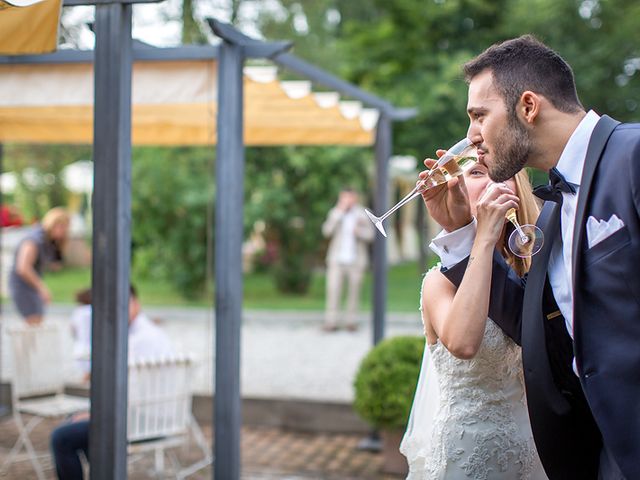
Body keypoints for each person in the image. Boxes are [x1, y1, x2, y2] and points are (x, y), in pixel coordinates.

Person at [423, 35, 639, 479]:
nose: (470, 137)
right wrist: (463, 235)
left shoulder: (633, 156)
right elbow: (533, 327)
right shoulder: (553, 212)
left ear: (527, 106)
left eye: (479, 116)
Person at [401, 164, 547, 479]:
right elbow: (463, 343)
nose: (492, 181)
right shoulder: (439, 282)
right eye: (477, 173)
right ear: (457, 193)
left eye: (500, 171)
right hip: (467, 456)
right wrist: (481, 236)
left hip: (535, 455)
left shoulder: (537, 274)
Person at [50, 284, 174, 480]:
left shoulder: (137, 341)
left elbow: (126, 393)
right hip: (156, 417)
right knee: (76, 430)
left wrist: (95, 414)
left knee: (62, 437)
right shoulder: (151, 333)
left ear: (135, 303)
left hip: (139, 421)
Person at [321, 187, 374, 331]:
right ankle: (331, 322)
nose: (347, 201)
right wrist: (339, 214)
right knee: (333, 290)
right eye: (344, 197)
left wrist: (360, 232)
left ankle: (351, 321)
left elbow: (371, 235)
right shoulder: (335, 212)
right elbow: (326, 231)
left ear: (354, 198)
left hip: (356, 260)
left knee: (354, 291)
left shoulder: (362, 213)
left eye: (349, 197)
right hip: (336, 259)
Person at [8, 207, 70, 325]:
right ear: (52, 224)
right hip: (22, 286)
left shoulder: (47, 241)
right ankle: (27, 344)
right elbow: (23, 268)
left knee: (37, 319)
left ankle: (30, 343)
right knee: (33, 320)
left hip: (31, 285)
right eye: (62, 226)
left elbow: (55, 263)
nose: (64, 231)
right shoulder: (34, 240)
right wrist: (42, 288)